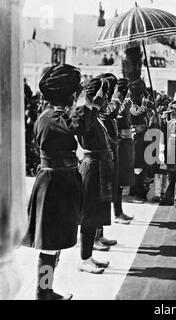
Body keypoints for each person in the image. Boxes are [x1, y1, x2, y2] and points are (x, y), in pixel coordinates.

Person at [23, 64, 82, 300]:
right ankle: (43, 292)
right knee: (49, 247)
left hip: (60, 184)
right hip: (53, 186)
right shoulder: (52, 118)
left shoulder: (55, 116)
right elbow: (79, 126)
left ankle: (46, 290)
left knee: (54, 243)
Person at [76, 77, 114, 274]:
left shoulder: (94, 113)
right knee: (89, 217)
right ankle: (83, 259)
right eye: (103, 94)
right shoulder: (85, 111)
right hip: (92, 169)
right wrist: (95, 107)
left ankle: (88, 256)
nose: (106, 98)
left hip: (100, 169)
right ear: (95, 94)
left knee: (95, 215)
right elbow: (84, 132)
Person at [94, 73, 120, 250]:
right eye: (107, 90)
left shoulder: (100, 110)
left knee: (103, 200)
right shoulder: (95, 111)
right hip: (96, 163)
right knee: (95, 202)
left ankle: (99, 234)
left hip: (106, 159)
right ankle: (93, 239)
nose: (108, 94)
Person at [114, 78, 136, 222]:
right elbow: (115, 119)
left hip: (127, 144)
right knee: (118, 181)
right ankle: (117, 213)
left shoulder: (124, 102)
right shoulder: (116, 103)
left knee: (121, 182)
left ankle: (119, 211)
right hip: (120, 146)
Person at [129, 79, 149, 202]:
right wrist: (145, 104)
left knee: (142, 164)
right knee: (138, 165)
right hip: (136, 137)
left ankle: (137, 189)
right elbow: (138, 113)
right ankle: (137, 192)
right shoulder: (132, 103)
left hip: (142, 136)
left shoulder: (137, 101)